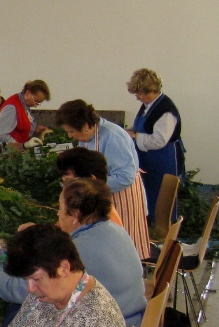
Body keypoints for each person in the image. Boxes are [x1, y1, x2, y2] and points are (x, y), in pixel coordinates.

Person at [0, 180, 146, 327]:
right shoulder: (114, 230)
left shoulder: (78, 248)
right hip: (133, 321)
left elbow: (21, 290)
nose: (57, 214)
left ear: (75, 215)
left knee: (19, 318)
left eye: (60, 209)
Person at [56, 100, 149, 259]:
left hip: (122, 194)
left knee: (122, 247)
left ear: (85, 125)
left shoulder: (112, 136)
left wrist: (90, 186)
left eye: (71, 131)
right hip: (102, 193)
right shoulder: (86, 137)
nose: (70, 136)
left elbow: (125, 177)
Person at [126, 68, 185, 222]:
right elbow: (144, 128)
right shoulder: (148, 105)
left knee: (161, 203)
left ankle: (162, 230)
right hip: (148, 161)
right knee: (148, 199)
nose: (138, 98)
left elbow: (159, 141)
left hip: (164, 161)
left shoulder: (166, 110)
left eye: (140, 94)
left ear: (152, 90)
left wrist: (135, 135)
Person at [55, 147, 124, 227]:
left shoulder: (102, 221)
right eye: (64, 183)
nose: (65, 189)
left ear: (91, 181)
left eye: (69, 181)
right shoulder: (81, 211)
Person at [0, 80, 51, 148]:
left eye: (38, 103)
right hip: (13, 152)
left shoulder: (24, 104)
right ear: (27, 93)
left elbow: (19, 125)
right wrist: (20, 146)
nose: (36, 106)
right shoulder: (12, 108)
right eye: (36, 101)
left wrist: (34, 129)